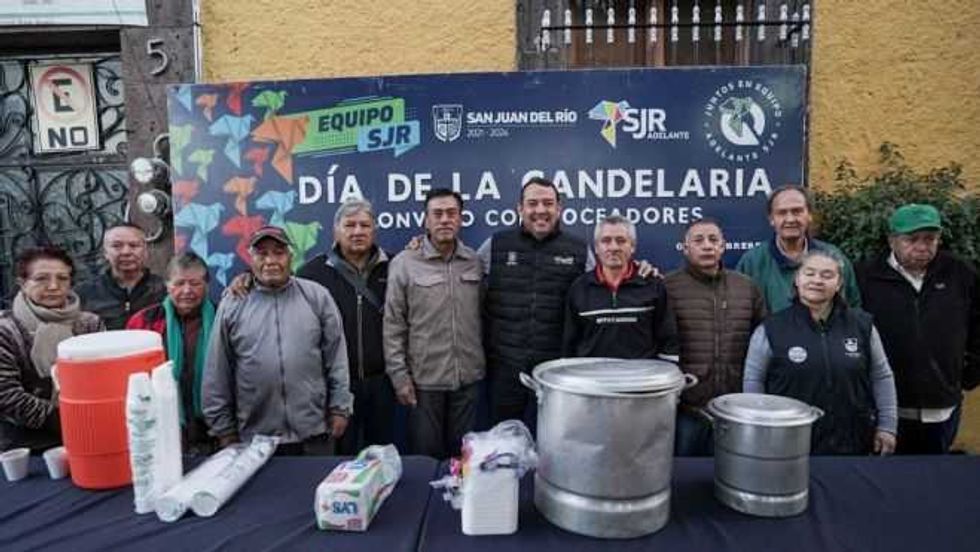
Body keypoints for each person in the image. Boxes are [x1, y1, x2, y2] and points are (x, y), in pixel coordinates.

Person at [203, 226, 352, 455]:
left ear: (291, 257)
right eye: (262, 254)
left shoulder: (316, 296)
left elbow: (337, 358)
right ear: (250, 259)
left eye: (279, 252)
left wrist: (340, 408)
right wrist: (223, 429)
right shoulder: (233, 303)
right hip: (254, 439)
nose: (271, 261)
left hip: (314, 433)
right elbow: (217, 369)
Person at [743, 251, 898, 455]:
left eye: (827, 275)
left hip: (852, 441)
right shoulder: (771, 328)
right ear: (797, 279)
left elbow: (881, 376)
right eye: (810, 273)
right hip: (788, 444)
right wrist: (758, 430)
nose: (817, 280)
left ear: (839, 283)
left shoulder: (862, 325)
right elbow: (753, 382)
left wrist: (887, 426)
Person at [856, 204, 979, 454]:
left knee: (933, 479)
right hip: (887, 409)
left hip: (942, 406)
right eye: (912, 239)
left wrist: (967, 375)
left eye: (930, 239)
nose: (922, 247)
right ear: (892, 240)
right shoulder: (867, 276)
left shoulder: (960, 273)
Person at [480, 177, 592, 425]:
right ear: (520, 209)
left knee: (556, 442)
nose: (540, 210)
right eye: (532, 203)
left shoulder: (580, 251)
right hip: (504, 368)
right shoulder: (495, 245)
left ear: (559, 209)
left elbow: (604, 286)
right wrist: (423, 247)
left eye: (548, 203)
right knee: (505, 443)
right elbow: (458, 275)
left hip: (556, 371)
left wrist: (641, 271)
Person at [384, 189, 483, 459]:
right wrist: (399, 376)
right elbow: (393, 323)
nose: (444, 220)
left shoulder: (474, 261)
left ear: (461, 219)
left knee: (463, 459)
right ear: (425, 220)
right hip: (424, 383)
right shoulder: (404, 264)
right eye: (437, 214)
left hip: (468, 380)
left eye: (451, 213)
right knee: (426, 459)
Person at [295, 199, 395, 455]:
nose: (358, 231)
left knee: (381, 458)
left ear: (374, 230)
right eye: (350, 225)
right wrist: (247, 281)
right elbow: (276, 288)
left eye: (365, 225)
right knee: (340, 457)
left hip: (383, 383)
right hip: (336, 387)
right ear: (335, 231)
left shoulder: (396, 267)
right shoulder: (311, 273)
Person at [664, 218, 767, 456]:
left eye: (713, 240)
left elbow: (763, 340)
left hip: (737, 407)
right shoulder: (667, 287)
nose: (707, 245)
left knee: (735, 475)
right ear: (685, 247)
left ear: (723, 246)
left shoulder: (746, 287)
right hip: (688, 409)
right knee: (685, 478)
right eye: (698, 240)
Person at [0, 246, 103, 452]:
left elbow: (101, 378)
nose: (54, 286)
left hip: (89, 430)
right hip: (24, 444)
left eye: (62, 278)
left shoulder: (89, 324)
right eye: (41, 279)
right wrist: (60, 419)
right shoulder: (6, 329)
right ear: (22, 283)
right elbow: (5, 393)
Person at [126, 252, 217, 454]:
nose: (187, 290)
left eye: (195, 283)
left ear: (207, 285)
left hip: (213, 427)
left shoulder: (222, 319)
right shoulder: (144, 322)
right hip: (162, 424)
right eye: (179, 283)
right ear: (167, 285)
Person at [563, 215, 678, 360]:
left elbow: (668, 338)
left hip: (640, 379)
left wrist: (666, 376)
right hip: (593, 378)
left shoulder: (652, 285)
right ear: (597, 248)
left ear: (632, 247)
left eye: (621, 241)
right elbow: (569, 343)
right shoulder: (579, 288)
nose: (613, 247)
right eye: (606, 241)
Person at [736, 185, 861, 313]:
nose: (790, 219)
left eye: (797, 211)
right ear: (771, 219)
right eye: (782, 213)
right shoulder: (752, 262)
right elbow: (741, 314)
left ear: (810, 215)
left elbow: (852, 310)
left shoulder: (833, 257)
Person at [76, 223, 166, 330]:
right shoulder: (83, 294)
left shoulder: (165, 290)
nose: (126, 252)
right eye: (117, 246)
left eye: (133, 245)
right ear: (105, 252)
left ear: (146, 251)